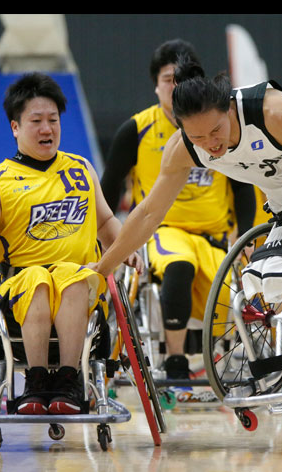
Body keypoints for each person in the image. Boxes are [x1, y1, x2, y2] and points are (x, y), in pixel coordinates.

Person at [93, 56, 282, 317]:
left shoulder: (275, 112)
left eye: (216, 130)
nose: (210, 144)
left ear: (228, 108)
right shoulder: (181, 148)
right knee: (260, 283)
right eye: (198, 137)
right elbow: (147, 214)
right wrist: (102, 269)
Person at [0, 72, 141, 415]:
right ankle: (35, 384)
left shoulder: (81, 169)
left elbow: (107, 222)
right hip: (21, 286)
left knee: (72, 277)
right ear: (15, 128)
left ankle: (69, 381)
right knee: (38, 279)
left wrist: (127, 251)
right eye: (36, 121)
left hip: (80, 282)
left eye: (53, 120)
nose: (46, 129)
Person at [100, 40, 257, 382]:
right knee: (178, 265)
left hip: (215, 236)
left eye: (179, 80)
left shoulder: (219, 126)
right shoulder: (137, 129)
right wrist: (101, 240)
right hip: (164, 231)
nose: (173, 87)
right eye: (167, 79)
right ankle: (174, 361)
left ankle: (225, 357)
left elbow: (244, 186)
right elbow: (109, 186)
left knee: (235, 296)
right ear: (156, 85)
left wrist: (245, 236)